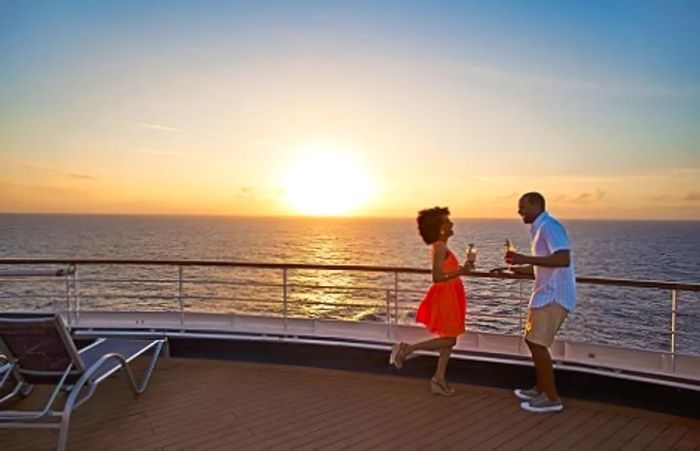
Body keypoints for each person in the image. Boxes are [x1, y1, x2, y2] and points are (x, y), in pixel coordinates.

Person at [493, 192, 576, 413]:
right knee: (533, 341)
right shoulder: (539, 229)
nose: (519, 211)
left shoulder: (549, 226)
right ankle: (541, 389)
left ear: (537, 206)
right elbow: (541, 265)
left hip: (554, 295)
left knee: (538, 344)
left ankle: (551, 397)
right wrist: (512, 270)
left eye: (523, 207)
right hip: (545, 294)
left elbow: (562, 259)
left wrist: (524, 258)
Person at [390, 207, 472, 396]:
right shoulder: (440, 247)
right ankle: (407, 349)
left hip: (451, 293)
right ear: (441, 227)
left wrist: (463, 268)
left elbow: (445, 270)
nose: (452, 224)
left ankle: (438, 379)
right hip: (446, 295)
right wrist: (461, 272)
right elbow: (437, 276)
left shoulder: (441, 246)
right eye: (448, 222)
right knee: (449, 338)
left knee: (449, 341)